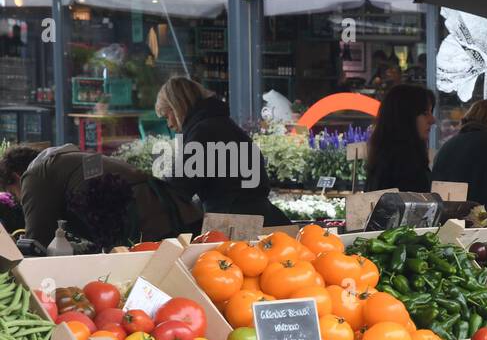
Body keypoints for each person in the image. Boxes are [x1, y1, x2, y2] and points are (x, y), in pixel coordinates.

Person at [10, 143, 201, 249]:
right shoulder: (66, 158)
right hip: (172, 209)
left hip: (142, 222)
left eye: (13, 193)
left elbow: (38, 239)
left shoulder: (34, 175)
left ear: (16, 177)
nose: (20, 200)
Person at [154, 76, 290, 225]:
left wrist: (151, 189)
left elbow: (178, 187)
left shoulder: (203, 132)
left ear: (177, 108)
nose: (169, 124)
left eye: (167, 116)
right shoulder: (225, 125)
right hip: (262, 217)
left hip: (231, 224)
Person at [365, 83, 436, 193]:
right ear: (405, 118)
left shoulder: (385, 163)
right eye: (425, 113)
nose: (432, 120)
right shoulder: (402, 170)